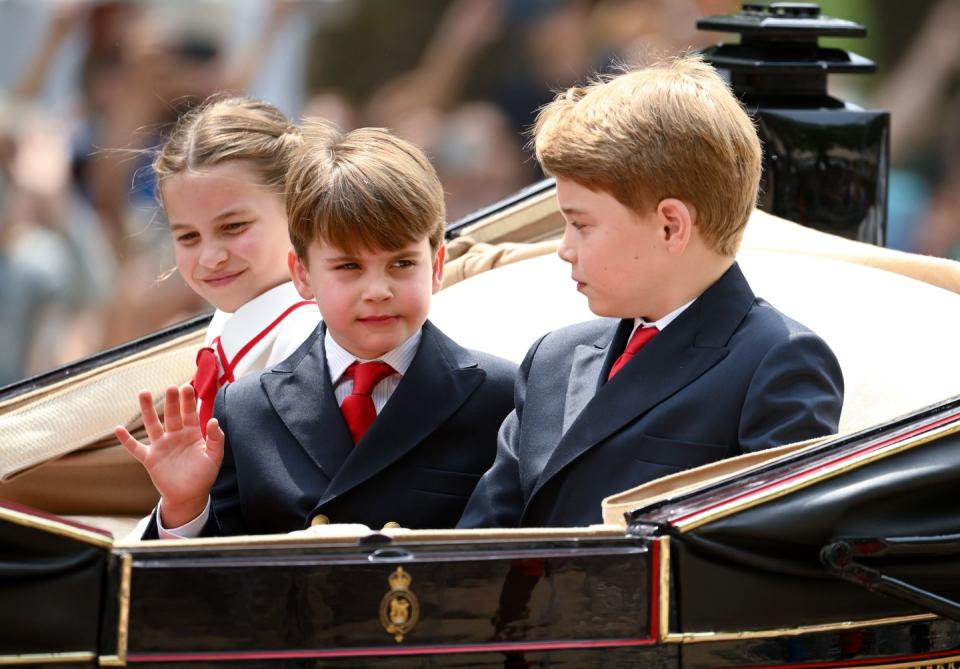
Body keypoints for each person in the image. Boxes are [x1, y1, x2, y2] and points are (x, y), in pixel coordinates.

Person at [459, 55, 845, 529]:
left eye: (581, 224)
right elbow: (480, 543)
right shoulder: (552, 360)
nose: (564, 249)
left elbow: (766, 560)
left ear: (670, 226)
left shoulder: (777, 363)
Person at [117, 120, 517, 537]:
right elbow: (214, 576)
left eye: (401, 264)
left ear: (436, 267)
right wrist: (185, 506)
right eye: (349, 267)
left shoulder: (498, 394)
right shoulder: (246, 409)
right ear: (303, 274)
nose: (378, 290)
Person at [116, 96, 322, 538]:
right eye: (188, 236)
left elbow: (275, 520)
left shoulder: (306, 343)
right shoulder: (226, 326)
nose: (210, 257)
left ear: (299, 209)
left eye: (233, 227)